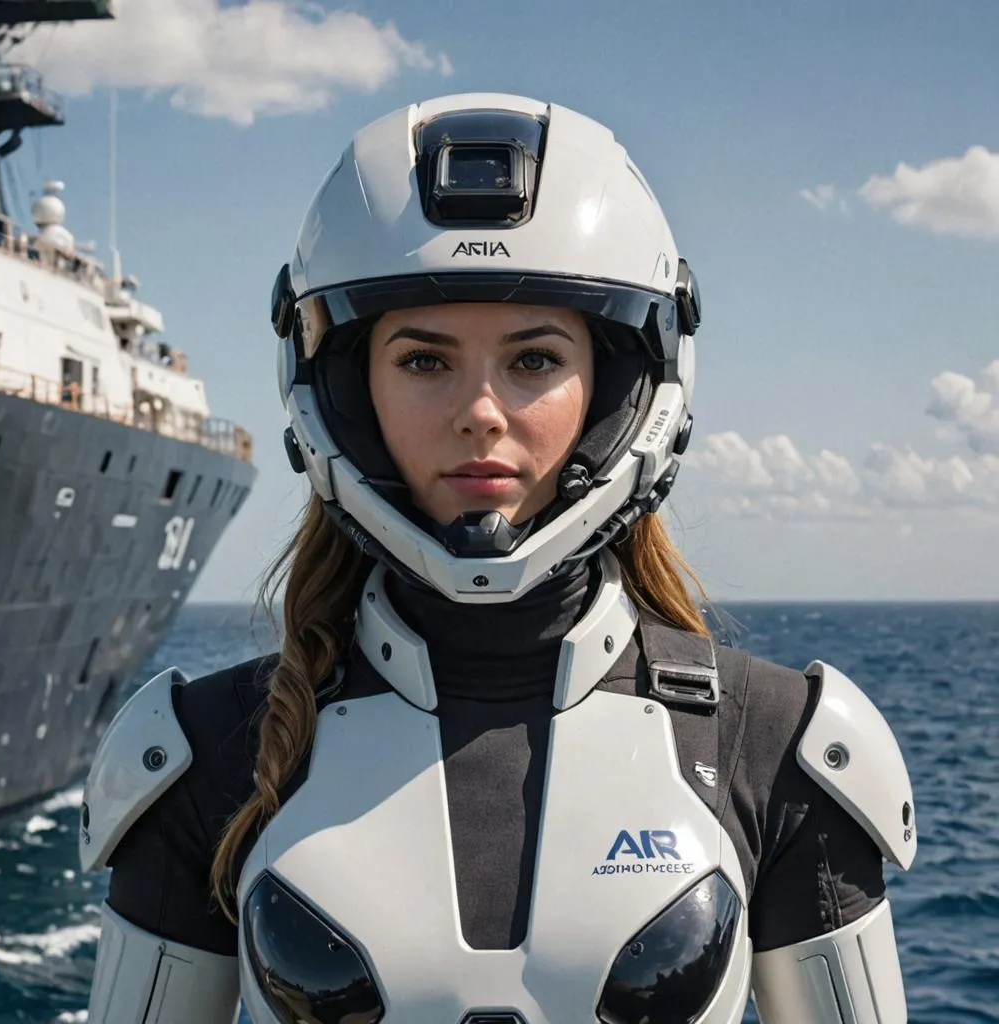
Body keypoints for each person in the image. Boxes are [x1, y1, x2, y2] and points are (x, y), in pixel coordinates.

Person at [78, 92, 917, 1024]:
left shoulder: (779, 745)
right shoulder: (204, 751)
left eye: (533, 360)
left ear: (622, 389)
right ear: (347, 390)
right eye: (424, 361)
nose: (480, 410)